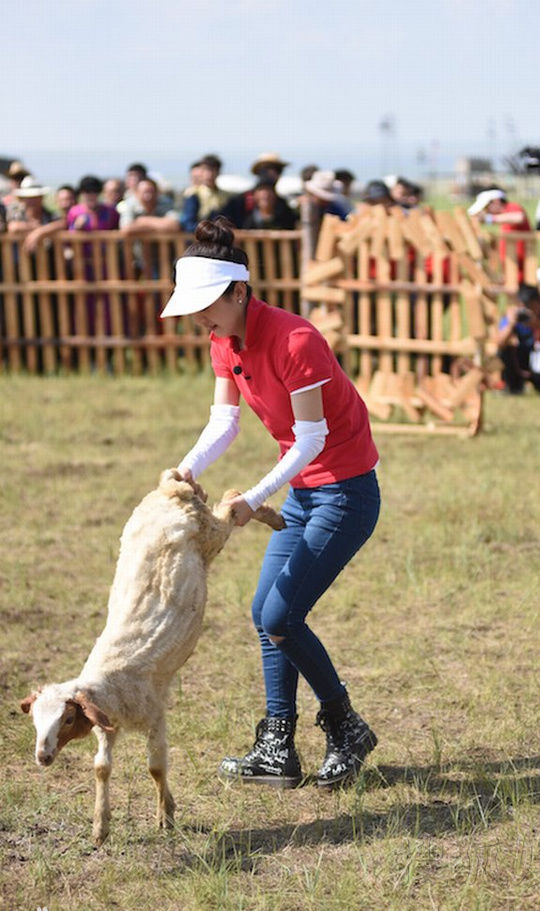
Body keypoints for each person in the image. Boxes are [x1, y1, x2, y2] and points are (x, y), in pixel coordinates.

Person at [160, 217, 380, 789]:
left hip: (346, 493)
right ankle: (278, 748)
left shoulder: (295, 340)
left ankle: (346, 727)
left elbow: (312, 439)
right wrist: (186, 469)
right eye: (192, 306)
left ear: (240, 291)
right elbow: (223, 421)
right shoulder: (222, 341)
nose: (199, 317)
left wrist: (254, 498)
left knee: (280, 616)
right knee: (266, 615)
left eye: (208, 303)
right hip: (306, 491)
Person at [467, 188, 531, 282]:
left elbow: (519, 217)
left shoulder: (512, 207)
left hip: (522, 269)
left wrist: (489, 219)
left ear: (496, 201)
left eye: (487, 207)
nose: (487, 211)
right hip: (512, 268)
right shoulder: (504, 217)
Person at [221, 152, 293, 229]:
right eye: (272, 169)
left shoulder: (282, 204)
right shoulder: (240, 201)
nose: (276, 174)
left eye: (279, 170)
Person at [181, 154, 228, 232]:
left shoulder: (224, 197)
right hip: (199, 239)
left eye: (213, 170)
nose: (209, 175)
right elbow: (188, 224)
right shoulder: (193, 194)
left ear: (218, 172)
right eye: (206, 170)